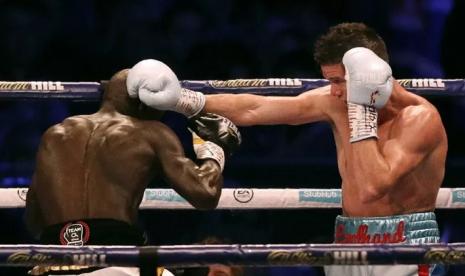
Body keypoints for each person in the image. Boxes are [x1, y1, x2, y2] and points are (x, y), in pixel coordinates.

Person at [128, 23, 447, 276]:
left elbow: (373, 185)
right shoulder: (338, 102)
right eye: (329, 81)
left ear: (374, 77)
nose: (333, 93)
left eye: (339, 81)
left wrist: (361, 106)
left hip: (404, 242)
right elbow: (257, 108)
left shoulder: (419, 119)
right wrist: (183, 100)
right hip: (349, 237)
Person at [25, 62, 241, 276]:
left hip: (53, 263)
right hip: (117, 263)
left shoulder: (53, 135)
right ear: (144, 103)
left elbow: (34, 221)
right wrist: (215, 149)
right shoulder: (151, 133)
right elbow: (205, 194)